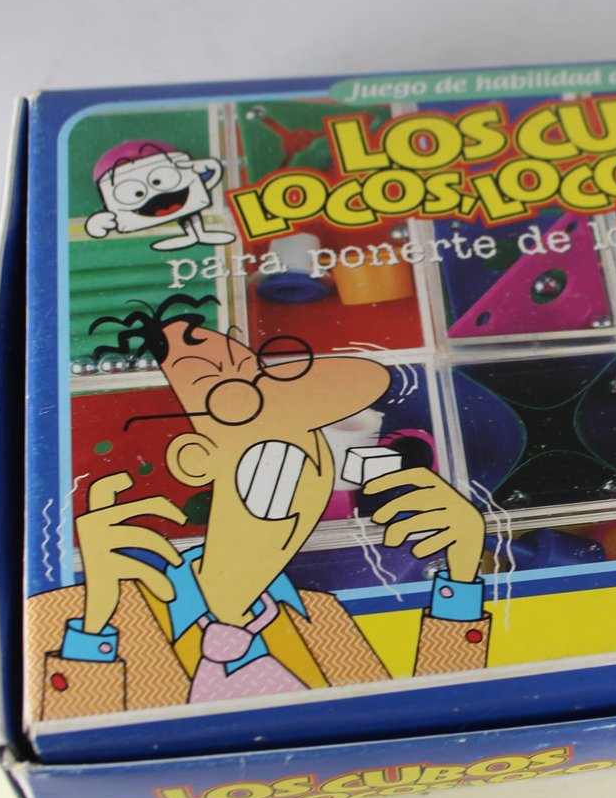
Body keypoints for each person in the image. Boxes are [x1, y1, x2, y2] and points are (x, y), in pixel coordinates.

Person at [28, 295, 490, 719]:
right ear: (196, 460)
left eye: (311, 451)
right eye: (275, 455)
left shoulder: (321, 620)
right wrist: (95, 628)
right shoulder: (99, 611)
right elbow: (79, 735)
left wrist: (463, 576)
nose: (302, 482)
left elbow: (427, 719)